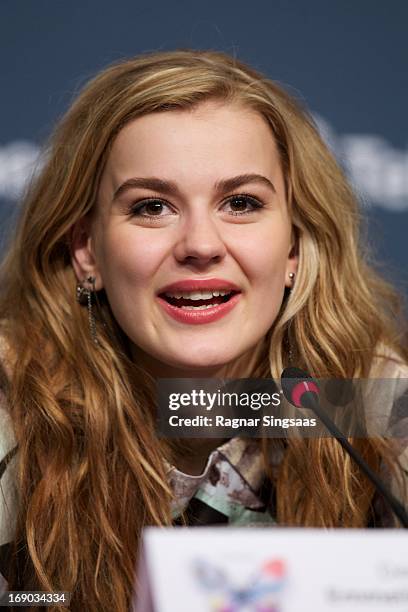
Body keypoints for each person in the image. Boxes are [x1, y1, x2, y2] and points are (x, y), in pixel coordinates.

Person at [0, 49, 407, 610]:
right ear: (86, 249)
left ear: (292, 246)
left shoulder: (369, 401)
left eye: (240, 203)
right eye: (151, 207)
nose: (200, 245)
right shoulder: (14, 409)